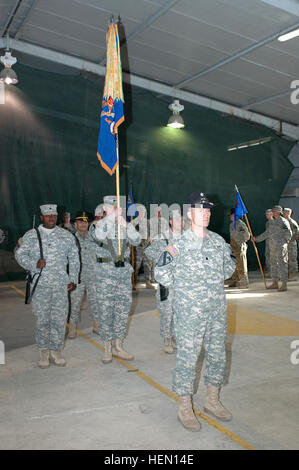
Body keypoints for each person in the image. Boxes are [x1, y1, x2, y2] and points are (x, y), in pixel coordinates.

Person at [154, 192, 236, 431]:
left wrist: (210, 282)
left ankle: (212, 400)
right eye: (201, 210)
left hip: (216, 310)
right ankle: (185, 406)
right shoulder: (178, 244)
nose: (206, 214)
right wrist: (185, 290)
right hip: (189, 312)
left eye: (209, 210)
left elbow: (229, 268)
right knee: (188, 359)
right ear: (190, 214)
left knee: (217, 355)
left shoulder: (218, 242)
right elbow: (161, 273)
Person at [15, 204, 80, 368]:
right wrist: (34, 264)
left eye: (53, 215)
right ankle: (44, 352)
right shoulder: (31, 235)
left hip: (60, 285)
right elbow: (19, 254)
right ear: (42, 217)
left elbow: (74, 258)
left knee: (59, 319)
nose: (51, 218)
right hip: (40, 285)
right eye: (47, 215)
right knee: (42, 319)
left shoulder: (66, 236)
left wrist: (73, 278)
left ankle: (56, 351)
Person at [92, 196, 141, 364]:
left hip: (123, 274)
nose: (117, 209)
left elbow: (136, 240)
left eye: (118, 207)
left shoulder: (124, 224)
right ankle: (107, 347)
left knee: (122, 310)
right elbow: (98, 236)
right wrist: (110, 218)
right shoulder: (98, 224)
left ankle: (118, 346)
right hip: (105, 275)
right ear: (106, 207)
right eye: (113, 206)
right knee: (106, 311)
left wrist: (126, 224)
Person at [145, 209, 183, 354]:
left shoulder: (187, 238)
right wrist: (162, 258)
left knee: (178, 312)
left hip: (182, 282)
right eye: (177, 220)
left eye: (182, 220)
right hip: (167, 282)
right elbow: (148, 251)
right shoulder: (163, 237)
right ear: (171, 221)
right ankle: (166, 339)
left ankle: (174, 337)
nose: (180, 223)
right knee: (167, 312)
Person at [68, 211, 101, 339]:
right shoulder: (70, 239)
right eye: (80, 222)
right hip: (77, 278)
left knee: (95, 301)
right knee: (75, 303)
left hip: (93, 275)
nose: (83, 224)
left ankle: (97, 325)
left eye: (85, 222)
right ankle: (72, 327)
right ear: (75, 224)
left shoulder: (95, 238)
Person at [252, 205, 292, 291]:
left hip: (280, 247)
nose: (272, 213)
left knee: (282, 264)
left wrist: (284, 243)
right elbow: (267, 233)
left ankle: (284, 284)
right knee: (273, 264)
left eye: (274, 211)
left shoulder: (283, 221)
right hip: (273, 247)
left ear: (278, 212)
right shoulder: (273, 222)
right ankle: (275, 283)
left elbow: (289, 234)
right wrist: (257, 239)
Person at [131, 204, 152, 288]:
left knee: (148, 265)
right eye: (140, 212)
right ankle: (133, 282)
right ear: (137, 212)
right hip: (137, 248)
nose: (142, 213)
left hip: (146, 246)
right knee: (136, 265)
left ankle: (148, 282)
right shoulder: (134, 222)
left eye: (143, 212)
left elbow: (151, 233)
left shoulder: (147, 222)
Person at [228, 208, 250, 288]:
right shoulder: (231, 225)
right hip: (233, 247)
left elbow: (247, 235)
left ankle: (244, 282)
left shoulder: (241, 224)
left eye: (231, 215)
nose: (230, 217)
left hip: (240, 246)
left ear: (234, 215)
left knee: (242, 265)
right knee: (234, 264)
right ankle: (235, 281)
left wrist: (241, 242)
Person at [282, 208, 299, 281]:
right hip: (285, 243)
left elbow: (297, 233)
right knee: (285, 259)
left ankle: (293, 275)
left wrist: (291, 240)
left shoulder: (292, 222)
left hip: (291, 244)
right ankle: (286, 275)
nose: (283, 214)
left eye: (285, 213)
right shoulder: (283, 222)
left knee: (292, 259)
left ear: (289, 213)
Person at [264, 209, 273, 277]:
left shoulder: (274, 222)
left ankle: (274, 272)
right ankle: (270, 271)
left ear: (271, 214)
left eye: (268, 214)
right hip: (268, 242)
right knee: (268, 256)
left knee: (272, 257)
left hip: (273, 243)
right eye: (266, 214)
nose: (266, 215)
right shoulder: (267, 223)